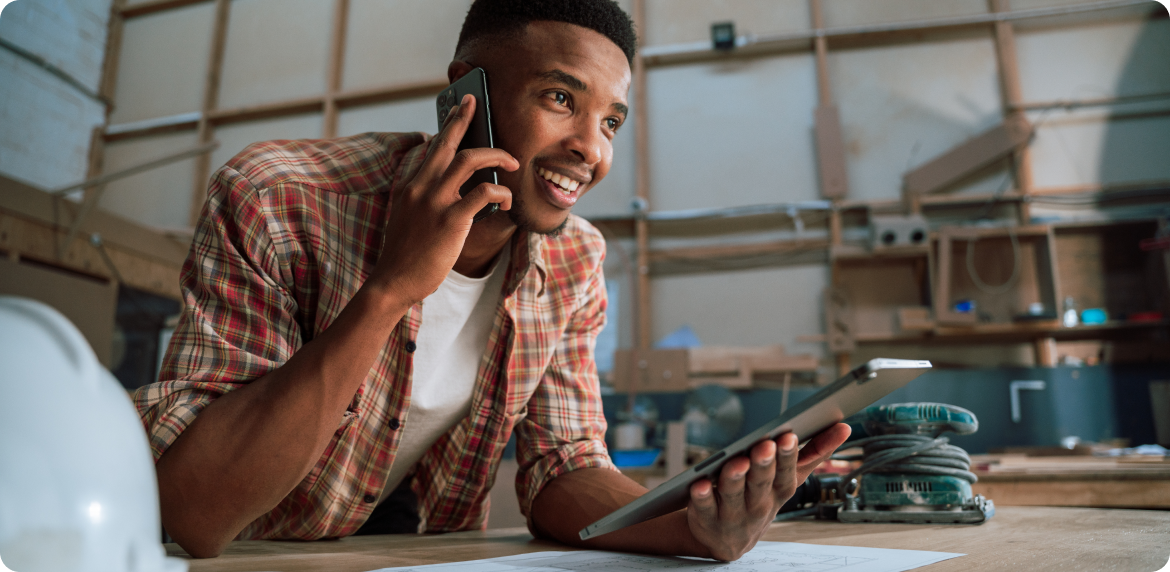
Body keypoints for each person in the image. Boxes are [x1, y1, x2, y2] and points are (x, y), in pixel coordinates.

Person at [132, 0, 851, 561]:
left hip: (409, 555)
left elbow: (561, 470)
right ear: (463, 97)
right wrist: (391, 289)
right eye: (561, 100)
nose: (591, 152)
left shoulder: (574, 259)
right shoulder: (276, 199)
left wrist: (690, 525)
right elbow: (198, 513)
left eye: (612, 120)